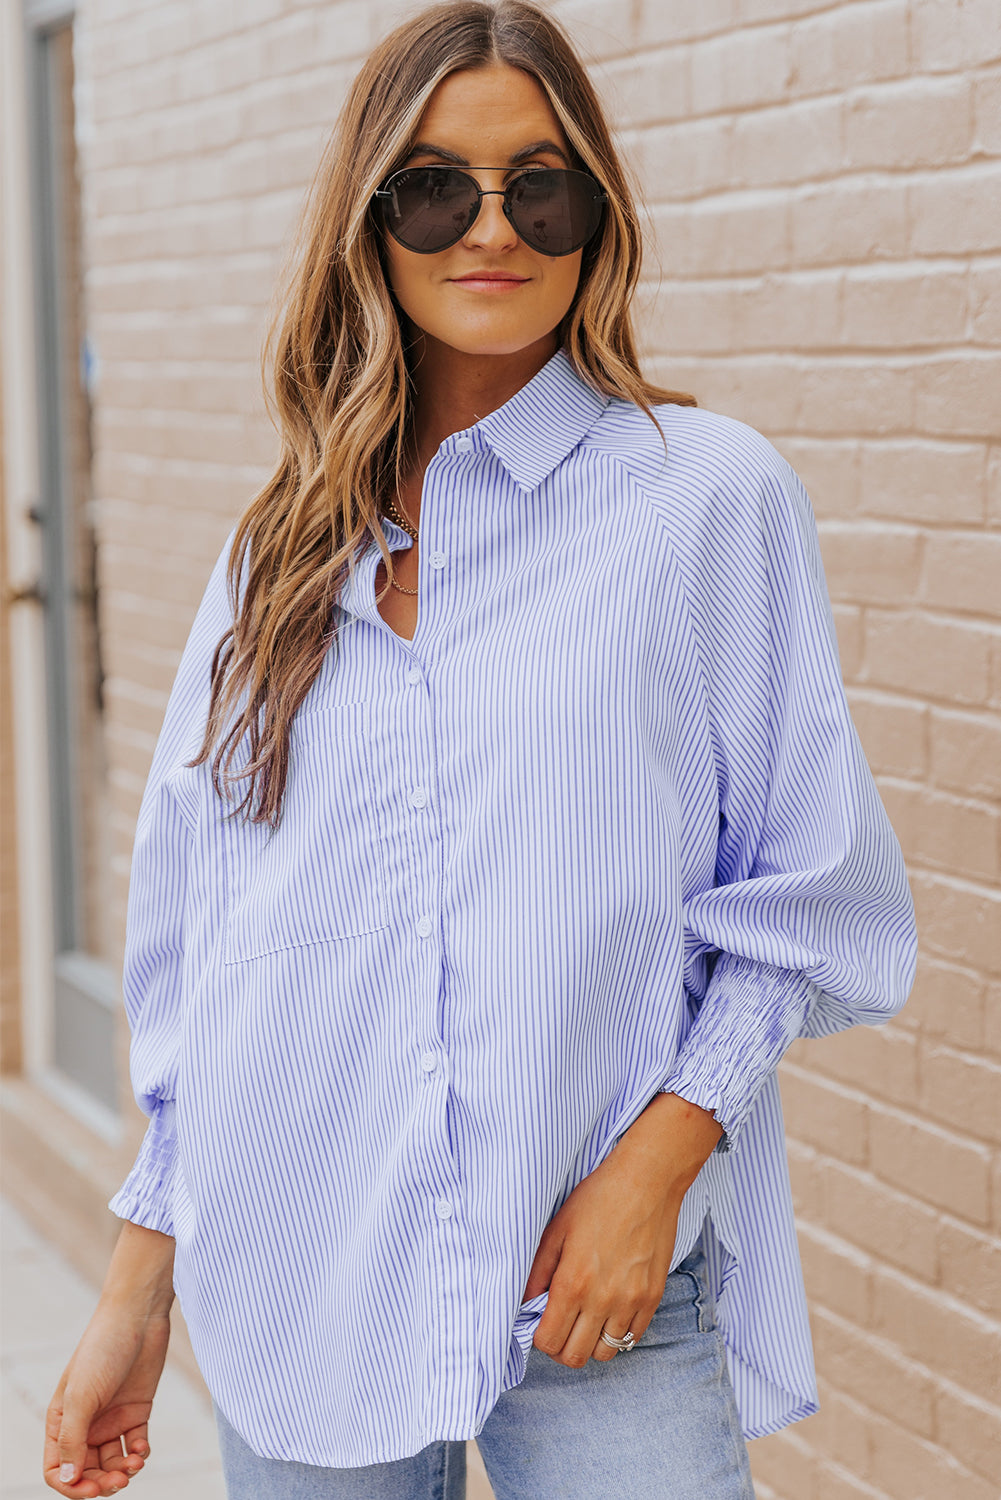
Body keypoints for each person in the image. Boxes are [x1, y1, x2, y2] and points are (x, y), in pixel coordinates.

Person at [43, 3, 917, 1497]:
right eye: (435, 186)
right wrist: (136, 1284)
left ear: (596, 212)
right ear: (370, 224)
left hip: (595, 1283)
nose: (490, 227)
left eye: (540, 184)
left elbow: (804, 886)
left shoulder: (701, 499)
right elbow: (201, 941)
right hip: (297, 1266)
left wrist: (660, 1161)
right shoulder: (281, 549)